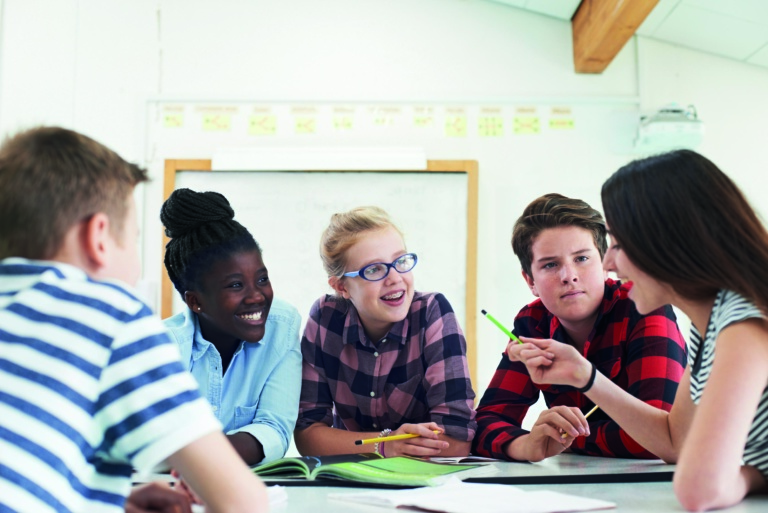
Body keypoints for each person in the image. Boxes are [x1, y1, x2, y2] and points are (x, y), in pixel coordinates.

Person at [0, 127, 267, 512]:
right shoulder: (109, 315)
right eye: (136, 238)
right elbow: (243, 502)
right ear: (100, 237)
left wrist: (114, 502)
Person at [510, 150, 768, 511]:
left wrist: (756, 473)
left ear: (664, 243)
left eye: (617, 244)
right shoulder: (709, 324)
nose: (609, 263)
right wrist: (586, 377)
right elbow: (674, 441)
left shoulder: (743, 324)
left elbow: (701, 489)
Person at [473, 193, 688, 463]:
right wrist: (528, 445)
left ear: (605, 264)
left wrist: (566, 438)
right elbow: (484, 424)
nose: (569, 276)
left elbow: (660, 437)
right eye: (550, 265)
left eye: (582, 259)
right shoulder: (532, 322)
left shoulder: (643, 305)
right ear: (530, 281)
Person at [294, 206, 476, 457]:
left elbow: (456, 439)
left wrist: (379, 445)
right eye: (374, 270)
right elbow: (308, 435)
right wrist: (384, 443)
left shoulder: (432, 312)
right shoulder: (325, 317)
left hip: (426, 479)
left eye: (400, 261)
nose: (394, 278)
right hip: (350, 480)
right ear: (341, 287)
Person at [161, 187, 302, 466]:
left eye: (262, 279)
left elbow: (274, 428)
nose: (257, 297)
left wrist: (202, 455)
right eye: (236, 285)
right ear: (196, 301)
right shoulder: (164, 347)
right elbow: (155, 445)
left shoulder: (282, 325)